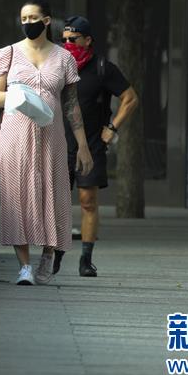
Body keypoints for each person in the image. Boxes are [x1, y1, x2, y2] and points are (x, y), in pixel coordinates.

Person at [0, 0, 93, 286]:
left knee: (54, 194)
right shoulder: (8, 54)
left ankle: (48, 253)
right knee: (16, 197)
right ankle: (24, 266)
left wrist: (83, 145)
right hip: (15, 135)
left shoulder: (64, 58)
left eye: (33, 17)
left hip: (51, 135)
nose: (27, 23)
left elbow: (71, 104)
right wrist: (19, 96)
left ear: (46, 21)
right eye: (23, 18)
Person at [55, 15, 139, 277]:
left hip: (91, 145)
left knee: (87, 201)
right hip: (59, 143)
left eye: (73, 39)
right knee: (56, 203)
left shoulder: (103, 68)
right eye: (64, 40)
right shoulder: (55, 66)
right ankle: (54, 255)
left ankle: (86, 260)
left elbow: (130, 98)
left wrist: (112, 128)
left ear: (88, 40)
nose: (68, 44)